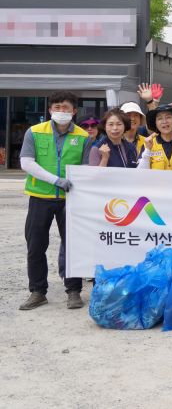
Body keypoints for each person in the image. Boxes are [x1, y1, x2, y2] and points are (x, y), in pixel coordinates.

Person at [18, 91, 88, 310]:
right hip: (40, 197)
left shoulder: (84, 136)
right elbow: (27, 163)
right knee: (36, 245)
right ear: (49, 110)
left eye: (66, 107)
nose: (61, 111)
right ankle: (38, 291)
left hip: (70, 199)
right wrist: (55, 180)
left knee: (73, 246)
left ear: (74, 111)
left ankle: (74, 291)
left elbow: (86, 168)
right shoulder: (35, 132)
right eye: (56, 107)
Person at [138, 106, 172, 171]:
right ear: (155, 123)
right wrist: (148, 150)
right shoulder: (148, 144)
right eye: (160, 118)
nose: (164, 121)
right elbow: (141, 173)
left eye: (168, 117)